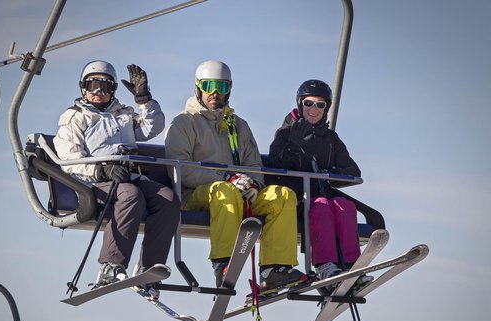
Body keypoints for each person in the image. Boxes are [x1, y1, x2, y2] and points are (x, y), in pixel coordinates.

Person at [164, 60, 305, 292]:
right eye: (209, 86)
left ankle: (274, 270)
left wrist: (254, 185)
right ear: (198, 88)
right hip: (197, 195)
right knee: (225, 191)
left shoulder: (237, 125)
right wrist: (225, 177)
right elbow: (179, 168)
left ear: (230, 89)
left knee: (282, 195)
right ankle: (224, 263)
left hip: (238, 191)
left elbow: (253, 163)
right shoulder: (184, 123)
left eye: (221, 87)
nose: (215, 93)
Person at [54, 60, 180, 299]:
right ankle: (110, 265)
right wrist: (102, 170)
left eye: (104, 86)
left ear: (113, 89)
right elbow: (68, 160)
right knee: (131, 196)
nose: (98, 92)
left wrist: (144, 100)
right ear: (83, 88)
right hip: (92, 184)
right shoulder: (76, 118)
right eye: (92, 85)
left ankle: (149, 270)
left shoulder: (122, 114)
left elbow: (152, 128)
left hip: (128, 176)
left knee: (167, 198)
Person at [266, 79, 362, 281]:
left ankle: (351, 266)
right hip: (296, 199)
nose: (314, 109)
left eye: (320, 104)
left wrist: (329, 174)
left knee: (344, 205)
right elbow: (273, 169)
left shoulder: (330, 139)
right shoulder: (285, 133)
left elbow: (352, 171)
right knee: (321, 206)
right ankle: (325, 265)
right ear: (300, 104)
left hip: (323, 194)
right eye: (309, 103)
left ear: (326, 108)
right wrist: (292, 146)